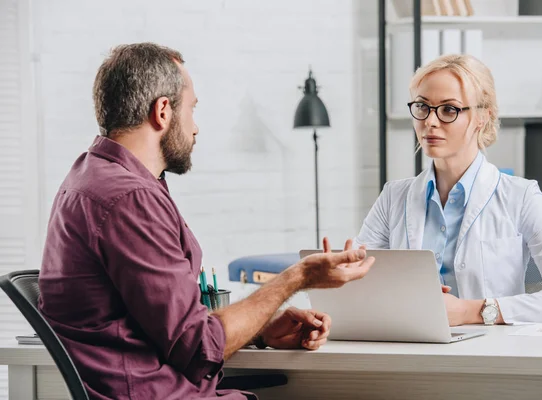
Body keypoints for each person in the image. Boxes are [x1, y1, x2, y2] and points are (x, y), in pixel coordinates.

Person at [38, 43, 375, 400]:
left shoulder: (90, 176)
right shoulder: (128, 198)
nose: (195, 127)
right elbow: (198, 350)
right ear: (163, 111)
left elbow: (166, 324)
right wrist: (299, 276)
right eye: (192, 109)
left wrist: (258, 330)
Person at [355, 54, 542, 326]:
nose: (430, 122)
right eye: (422, 106)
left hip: (488, 359)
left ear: (482, 116)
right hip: (409, 352)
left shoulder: (521, 197)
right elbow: (357, 287)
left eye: (449, 109)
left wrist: (473, 311)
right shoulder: (393, 198)